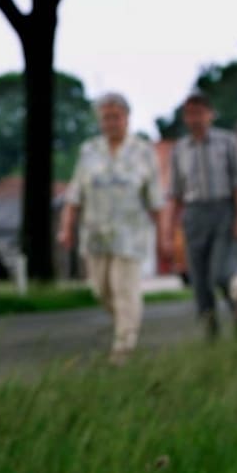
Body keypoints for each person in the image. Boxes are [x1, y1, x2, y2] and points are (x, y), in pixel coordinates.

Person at [58, 93, 164, 363]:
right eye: (106, 117)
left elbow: (156, 199)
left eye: (116, 117)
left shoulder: (143, 151)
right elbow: (74, 193)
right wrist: (66, 227)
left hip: (130, 234)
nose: (111, 122)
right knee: (102, 290)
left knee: (123, 288)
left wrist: (164, 236)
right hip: (95, 233)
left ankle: (123, 347)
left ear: (127, 118)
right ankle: (126, 326)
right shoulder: (89, 150)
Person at [162, 92, 237, 339]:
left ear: (210, 115)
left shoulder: (228, 143)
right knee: (200, 280)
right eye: (190, 114)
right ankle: (211, 332)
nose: (195, 119)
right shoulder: (180, 149)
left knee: (222, 272)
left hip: (223, 212)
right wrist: (168, 231)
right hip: (194, 214)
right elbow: (174, 194)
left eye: (199, 113)